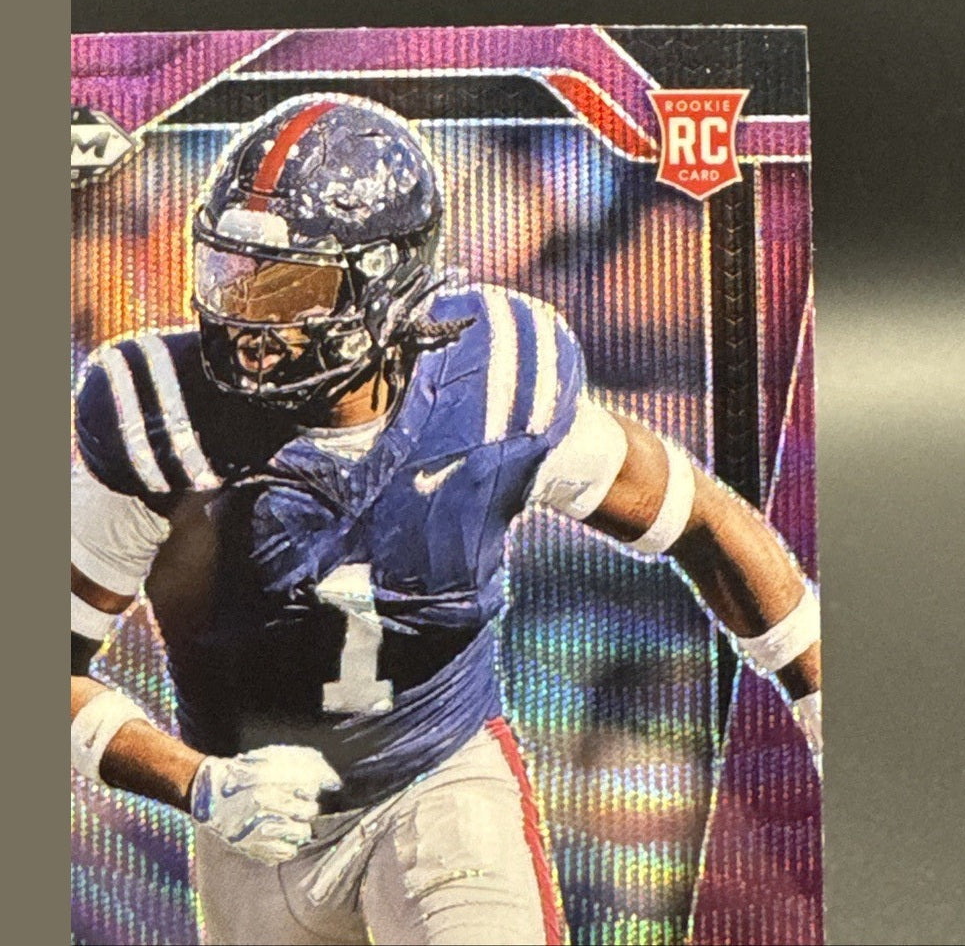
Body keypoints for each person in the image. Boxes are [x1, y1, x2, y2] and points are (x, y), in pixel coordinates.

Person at [70, 94, 822, 946]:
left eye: (290, 286)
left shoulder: (491, 388)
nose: (250, 321)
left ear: (385, 281)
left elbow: (698, 518)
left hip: (437, 784)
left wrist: (821, 696)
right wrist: (197, 781)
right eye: (231, 272)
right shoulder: (159, 420)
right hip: (252, 834)